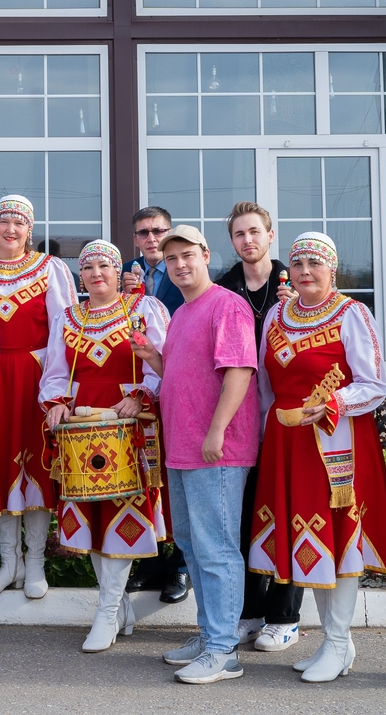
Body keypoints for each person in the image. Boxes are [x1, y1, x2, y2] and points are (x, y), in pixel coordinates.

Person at [248, 232, 386, 685]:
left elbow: (374, 384)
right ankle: (337, 643)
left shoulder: (352, 313)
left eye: (315, 263)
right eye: (297, 264)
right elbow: (265, 388)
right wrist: (265, 438)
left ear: (333, 269)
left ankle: (335, 641)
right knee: (305, 536)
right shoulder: (277, 316)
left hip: (336, 440)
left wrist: (333, 403)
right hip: (286, 439)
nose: (305, 271)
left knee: (336, 535)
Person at [38, 239, 169, 652]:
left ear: (118, 272)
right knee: (93, 512)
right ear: (81, 277)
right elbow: (54, 372)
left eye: (104, 266)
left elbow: (162, 362)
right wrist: (57, 404)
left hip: (127, 421)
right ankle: (116, 607)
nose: (96, 273)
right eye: (88, 267)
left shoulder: (143, 309)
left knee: (122, 510)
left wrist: (141, 396)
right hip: (81, 427)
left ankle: (106, 612)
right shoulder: (68, 318)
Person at [144, 225, 259, 685]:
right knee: (192, 546)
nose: (180, 265)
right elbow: (179, 373)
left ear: (205, 255)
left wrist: (216, 432)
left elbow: (239, 373)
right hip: (183, 448)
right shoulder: (183, 313)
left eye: (187, 255)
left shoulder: (226, 305)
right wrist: (152, 356)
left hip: (217, 450)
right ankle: (212, 634)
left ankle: (224, 650)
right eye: (171, 258)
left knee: (217, 549)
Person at [0, 194, 74, 599]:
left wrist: (60, 390)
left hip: (36, 379)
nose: (11, 229)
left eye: (20, 223)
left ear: (30, 229)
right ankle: (9, 563)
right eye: (4, 221)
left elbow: (65, 329)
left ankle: (36, 563)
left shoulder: (50, 268)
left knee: (36, 468)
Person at [212, 203, 303, 656]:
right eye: (239, 234)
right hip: (239, 417)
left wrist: (294, 311)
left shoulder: (296, 283)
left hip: (286, 416)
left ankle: (285, 616)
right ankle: (249, 611)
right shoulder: (222, 288)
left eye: (254, 232)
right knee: (244, 516)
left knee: (288, 511)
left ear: (270, 235)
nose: (247, 240)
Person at [120, 204, 188, 605]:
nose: (151, 238)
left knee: (175, 476)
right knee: (146, 477)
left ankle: (181, 565)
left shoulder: (183, 271)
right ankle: (151, 562)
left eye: (158, 231)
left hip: (177, 383)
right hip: (140, 389)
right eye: (144, 232)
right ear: (135, 238)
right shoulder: (124, 273)